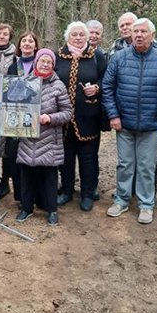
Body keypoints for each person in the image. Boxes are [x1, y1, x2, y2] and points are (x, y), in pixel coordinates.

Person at [101, 17, 157, 224]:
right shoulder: (119, 58)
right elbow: (107, 87)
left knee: (146, 166)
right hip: (124, 123)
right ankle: (121, 200)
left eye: (143, 31)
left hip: (151, 123)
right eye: (136, 31)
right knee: (125, 164)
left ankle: (146, 204)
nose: (138, 35)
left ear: (152, 35)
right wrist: (113, 115)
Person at [53, 21, 109, 212]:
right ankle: (67, 191)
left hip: (88, 116)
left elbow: (106, 78)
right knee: (66, 158)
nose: (78, 38)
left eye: (81, 35)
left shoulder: (96, 56)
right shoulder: (58, 56)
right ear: (67, 37)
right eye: (74, 34)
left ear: (87, 37)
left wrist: (97, 88)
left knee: (88, 158)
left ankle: (87, 194)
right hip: (62, 118)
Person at [14, 48, 72, 226]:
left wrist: (51, 118)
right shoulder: (24, 82)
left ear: (53, 65)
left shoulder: (58, 86)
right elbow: (14, 106)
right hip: (27, 139)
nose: (45, 64)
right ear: (36, 62)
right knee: (26, 177)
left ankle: (52, 210)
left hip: (49, 140)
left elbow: (68, 112)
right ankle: (26, 208)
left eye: (49, 62)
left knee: (49, 178)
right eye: (42, 61)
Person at [0, 31, 40, 201]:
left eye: (31, 41)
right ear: (20, 45)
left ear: (36, 46)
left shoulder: (41, 64)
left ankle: (36, 195)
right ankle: (20, 195)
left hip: (36, 117)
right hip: (15, 118)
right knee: (14, 157)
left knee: (34, 158)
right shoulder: (13, 67)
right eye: (24, 41)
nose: (27, 43)